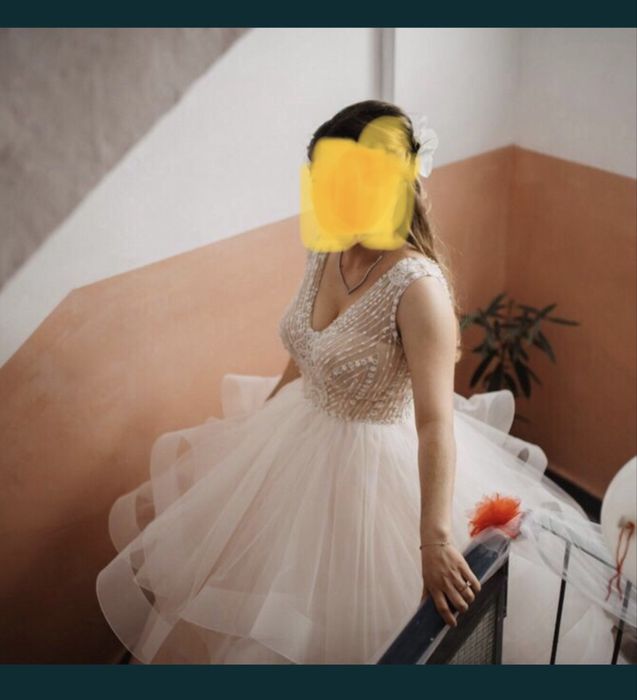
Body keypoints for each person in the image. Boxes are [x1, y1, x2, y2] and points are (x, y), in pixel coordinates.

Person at [95, 100, 623, 665]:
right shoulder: (326, 249)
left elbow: (435, 422)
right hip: (295, 445)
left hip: (375, 478)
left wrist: (434, 539)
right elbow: (304, 352)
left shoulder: (417, 289)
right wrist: (253, 431)